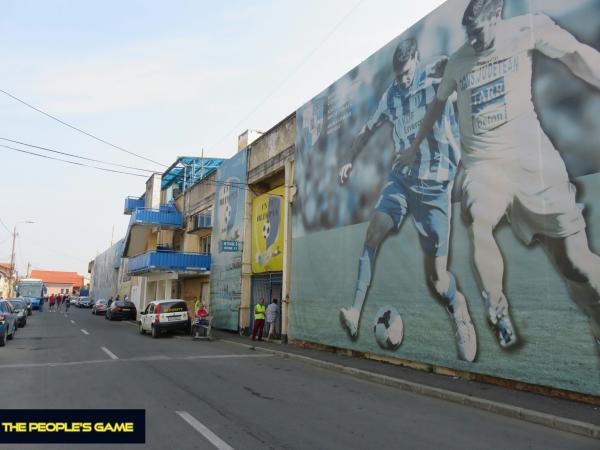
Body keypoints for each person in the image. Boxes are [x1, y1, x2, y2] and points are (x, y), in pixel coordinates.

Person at [400, 0, 600, 349]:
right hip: (484, 166)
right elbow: (437, 103)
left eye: (479, 35)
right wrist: (414, 146)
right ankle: (497, 306)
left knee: (574, 265)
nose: (473, 42)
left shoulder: (526, 29)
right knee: (480, 219)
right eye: (469, 36)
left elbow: (574, 54)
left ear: (497, 17)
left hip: (532, 165)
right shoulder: (459, 61)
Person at [338, 37, 477, 361]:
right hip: (401, 182)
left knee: (438, 282)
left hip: (435, 190)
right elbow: (365, 131)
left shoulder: (436, 75)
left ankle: (459, 310)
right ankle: (355, 311)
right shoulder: (390, 97)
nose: (403, 80)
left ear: (417, 59)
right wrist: (349, 158)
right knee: (373, 233)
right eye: (399, 75)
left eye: (407, 73)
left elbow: (463, 72)